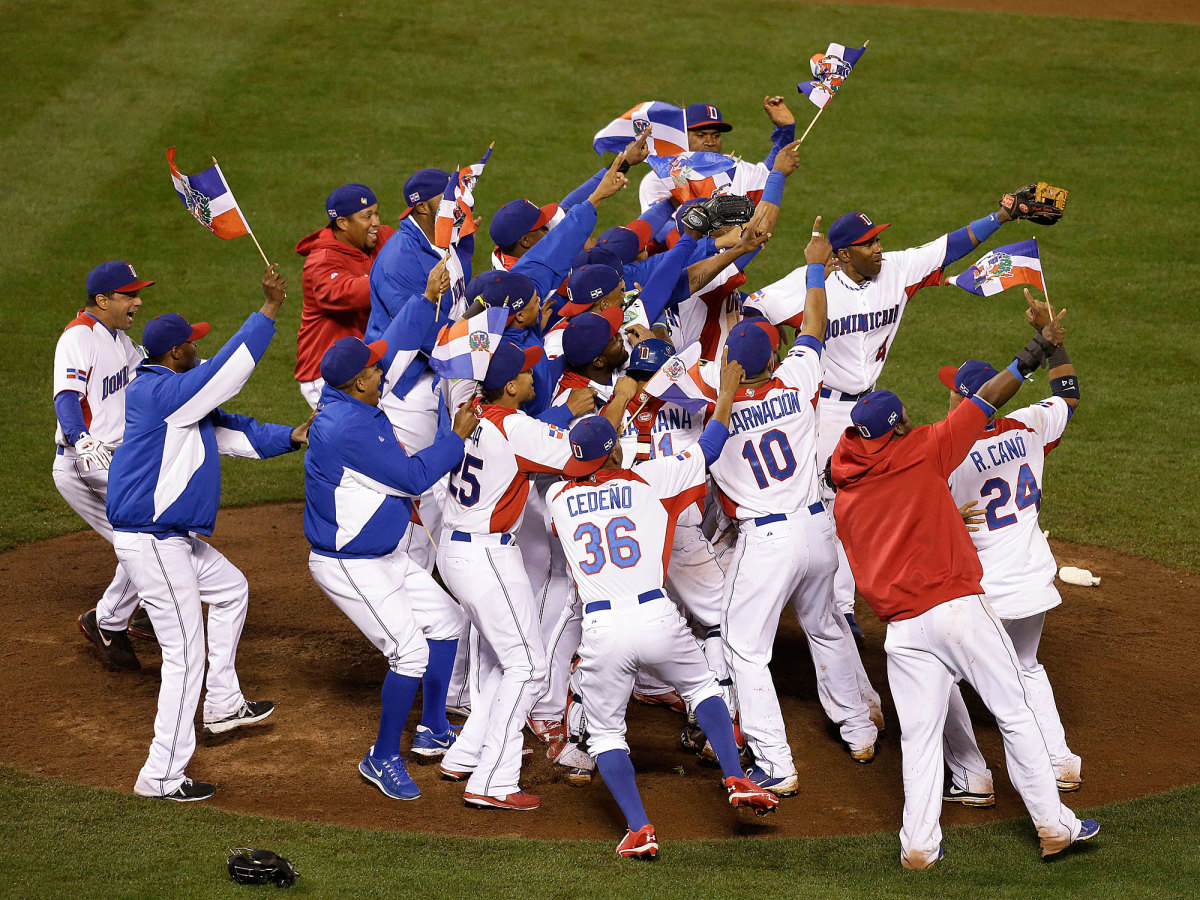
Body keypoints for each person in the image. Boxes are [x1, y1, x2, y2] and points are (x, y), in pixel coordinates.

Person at [829, 301, 1098, 868]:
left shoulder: (847, 495)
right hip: (958, 610)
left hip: (902, 632)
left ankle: (920, 846)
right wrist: (1037, 349)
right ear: (899, 427)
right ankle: (1055, 827)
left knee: (920, 740)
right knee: (1015, 713)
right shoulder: (925, 450)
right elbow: (988, 403)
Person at [750, 185, 1059, 637]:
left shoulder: (895, 270)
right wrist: (773, 348)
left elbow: (949, 247)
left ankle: (842, 607)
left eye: (878, 240)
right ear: (842, 254)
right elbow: (753, 309)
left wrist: (1003, 216)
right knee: (818, 506)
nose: (879, 248)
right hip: (822, 413)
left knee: (866, 504)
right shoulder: (807, 283)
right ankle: (796, 601)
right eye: (869, 243)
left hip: (876, 409)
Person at [546, 353, 779, 860]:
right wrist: (725, 394)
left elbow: (596, 458)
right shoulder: (651, 481)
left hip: (602, 630)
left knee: (606, 732)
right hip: (657, 616)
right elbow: (711, 446)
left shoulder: (559, 499)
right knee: (701, 686)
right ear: (615, 455)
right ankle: (737, 776)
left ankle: (638, 828)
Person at [106, 265, 312, 802]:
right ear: (174, 353)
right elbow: (226, 373)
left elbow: (230, 428)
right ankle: (161, 777)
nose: (199, 348)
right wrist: (267, 311)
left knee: (230, 590)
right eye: (192, 344)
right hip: (153, 541)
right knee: (183, 657)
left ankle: (222, 703)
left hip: (169, 537)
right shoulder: (161, 395)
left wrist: (290, 435)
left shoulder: (177, 397)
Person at [706, 223, 880, 799]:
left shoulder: (718, 415)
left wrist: (724, 393)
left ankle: (775, 762)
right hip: (816, 529)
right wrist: (813, 266)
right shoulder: (797, 379)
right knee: (825, 621)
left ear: (730, 367)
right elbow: (812, 326)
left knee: (744, 646)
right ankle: (858, 727)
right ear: (773, 357)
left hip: (768, 542)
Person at [303, 292, 475, 801]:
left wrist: (423, 298)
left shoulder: (352, 400)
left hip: (383, 555)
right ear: (359, 381)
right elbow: (415, 477)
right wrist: (457, 436)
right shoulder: (348, 426)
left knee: (448, 621)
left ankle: (433, 727)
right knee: (410, 652)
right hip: (349, 563)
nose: (384, 374)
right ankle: (380, 757)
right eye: (374, 372)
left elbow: (391, 343)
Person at [939, 290, 1084, 807]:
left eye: (955, 394)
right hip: (1032, 579)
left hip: (985, 592)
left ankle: (974, 776)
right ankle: (1062, 760)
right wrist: (1057, 344)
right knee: (1027, 668)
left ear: (969, 400)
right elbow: (1068, 394)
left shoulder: (948, 454)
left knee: (940, 674)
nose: (950, 400)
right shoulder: (1031, 424)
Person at [436, 342, 592, 808]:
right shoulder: (515, 426)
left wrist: (557, 415)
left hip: (457, 548)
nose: (532, 378)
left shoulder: (469, 411)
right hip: (485, 557)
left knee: (499, 660)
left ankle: (466, 753)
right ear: (510, 386)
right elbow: (578, 458)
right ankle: (493, 781)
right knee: (527, 667)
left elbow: (529, 438)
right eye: (526, 375)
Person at [58, 260, 156, 670]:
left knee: (150, 535)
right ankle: (108, 620)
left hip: (120, 459)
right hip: (87, 462)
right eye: (129, 295)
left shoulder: (120, 340)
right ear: (102, 300)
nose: (137, 301)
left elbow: (147, 381)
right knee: (149, 534)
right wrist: (81, 437)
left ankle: (140, 603)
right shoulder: (79, 336)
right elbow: (66, 395)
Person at [294, 183, 395, 408]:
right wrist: (397, 275)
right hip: (327, 374)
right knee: (353, 436)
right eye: (367, 216)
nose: (376, 223)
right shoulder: (320, 262)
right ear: (342, 223)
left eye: (376, 213)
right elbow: (349, 293)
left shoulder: (382, 237)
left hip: (365, 361)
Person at [638, 99, 796, 211]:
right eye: (701, 135)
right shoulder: (658, 180)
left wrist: (785, 130)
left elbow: (766, 174)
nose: (710, 142)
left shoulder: (728, 164)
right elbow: (661, 233)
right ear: (682, 137)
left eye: (716, 135)